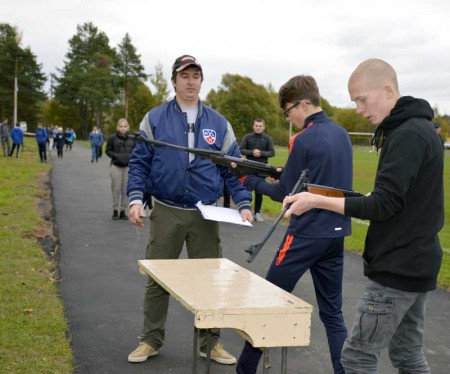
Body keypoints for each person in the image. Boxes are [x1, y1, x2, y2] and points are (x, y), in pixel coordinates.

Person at [283, 59, 444, 373]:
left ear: (387, 90)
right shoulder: (413, 129)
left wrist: (317, 200)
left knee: (357, 358)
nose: (357, 108)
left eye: (361, 99)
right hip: (415, 264)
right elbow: (383, 199)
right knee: (408, 357)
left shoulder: (408, 135)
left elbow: (381, 205)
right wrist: (317, 197)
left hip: (397, 268)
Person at [126, 54, 253, 366]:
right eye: (185, 76)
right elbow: (140, 162)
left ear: (201, 81)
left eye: (196, 76)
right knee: (158, 279)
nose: (191, 81)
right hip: (167, 210)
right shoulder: (154, 118)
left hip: (205, 214)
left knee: (210, 280)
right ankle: (150, 339)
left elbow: (232, 169)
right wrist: (134, 198)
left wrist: (245, 202)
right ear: (174, 81)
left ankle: (210, 343)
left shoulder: (219, 123)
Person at [235, 75, 353, 374]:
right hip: (336, 233)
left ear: (302, 104)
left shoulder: (302, 138)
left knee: (267, 305)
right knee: (333, 316)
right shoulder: (341, 133)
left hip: (304, 234)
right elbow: (312, 178)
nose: (289, 118)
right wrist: (281, 174)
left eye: (288, 111)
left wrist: (248, 180)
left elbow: (284, 194)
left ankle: (244, 370)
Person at [239, 118, 275, 221]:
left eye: (260, 126)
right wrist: (251, 152)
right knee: (247, 190)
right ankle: (246, 210)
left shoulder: (268, 138)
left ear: (263, 127)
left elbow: (272, 152)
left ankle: (257, 213)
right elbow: (241, 149)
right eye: (256, 126)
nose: (258, 128)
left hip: (261, 168)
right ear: (253, 126)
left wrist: (261, 153)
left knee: (259, 192)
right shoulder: (247, 137)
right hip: (249, 167)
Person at [105, 118, 136, 220]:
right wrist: (116, 156)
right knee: (116, 189)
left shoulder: (132, 138)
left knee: (125, 190)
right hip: (116, 166)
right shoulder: (113, 138)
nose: (123, 128)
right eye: (121, 126)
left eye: (125, 126)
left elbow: (136, 151)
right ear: (118, 127)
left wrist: (131, 157)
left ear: (128, 127)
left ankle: (123, 211)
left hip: (128, 167)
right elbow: (108, 151)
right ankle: (115, 210)